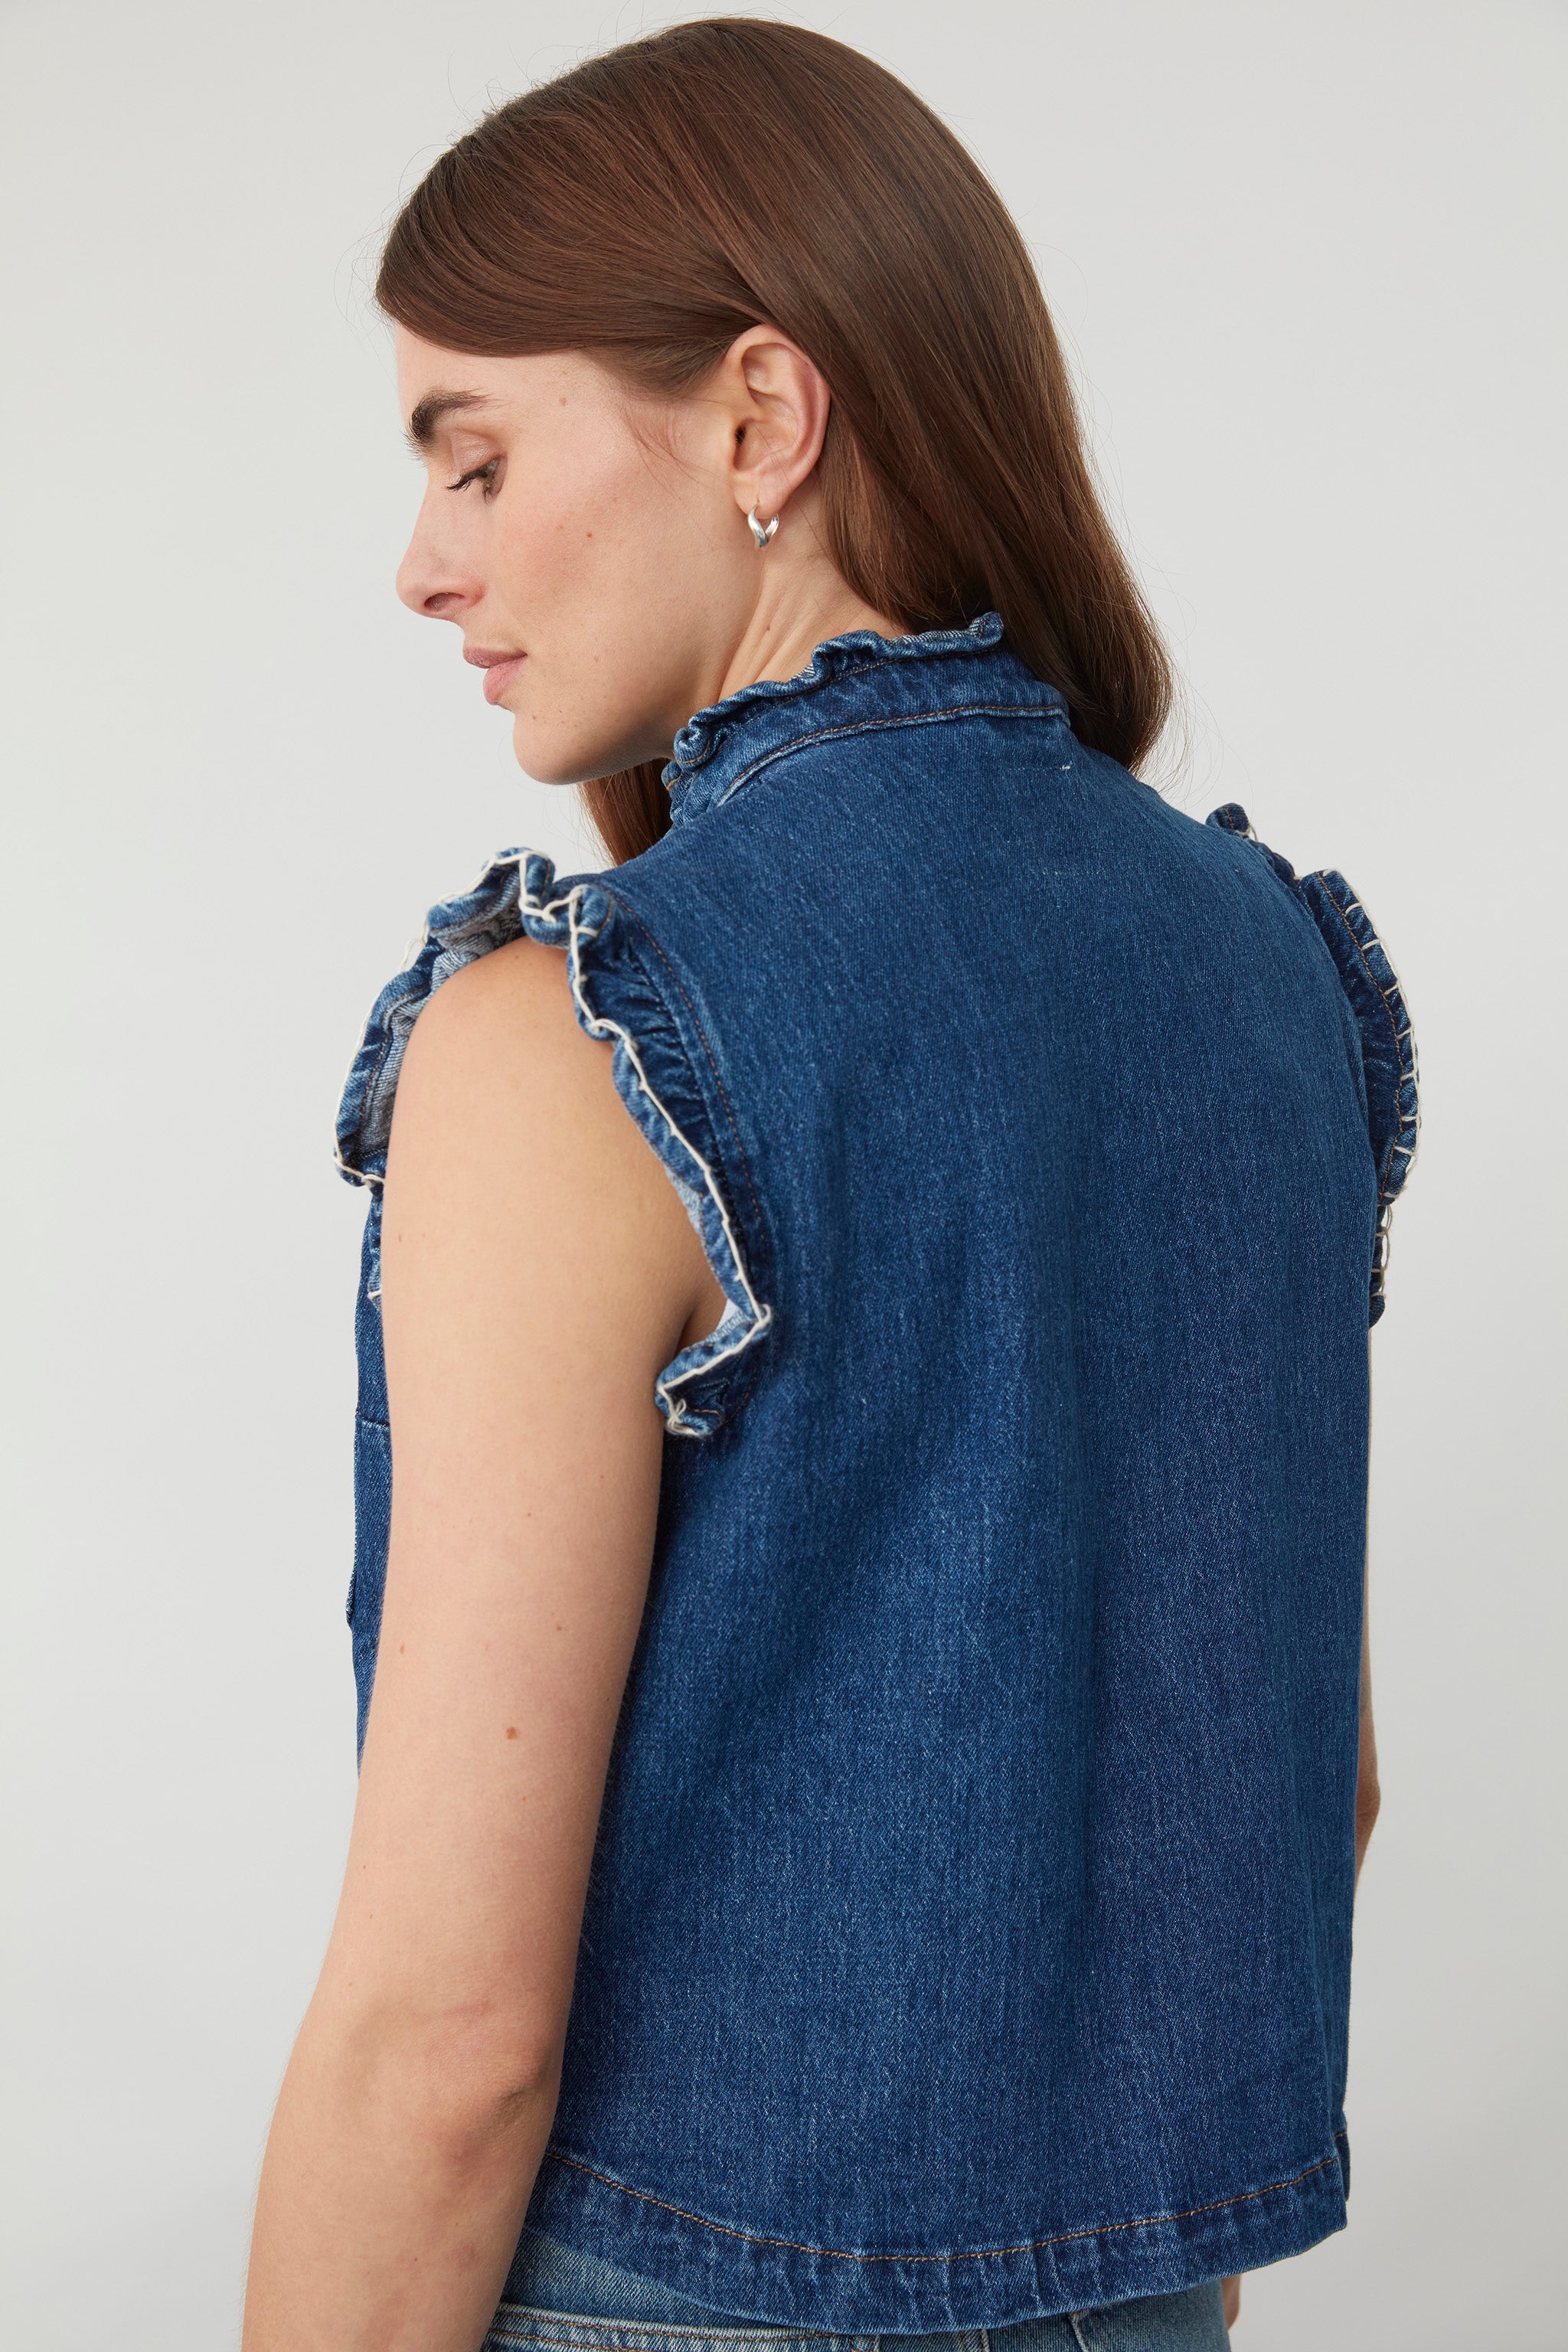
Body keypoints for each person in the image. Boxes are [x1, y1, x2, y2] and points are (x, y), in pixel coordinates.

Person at [241, 21, 1417, 2352]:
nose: (420, 561)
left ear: (762, 422)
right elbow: (1320, 1793)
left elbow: (449, 2051)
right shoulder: (1263, 974)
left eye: (473, 458)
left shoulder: (579, 1040)